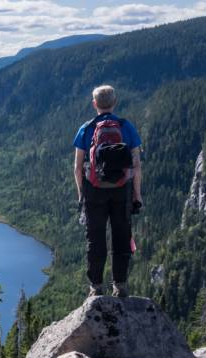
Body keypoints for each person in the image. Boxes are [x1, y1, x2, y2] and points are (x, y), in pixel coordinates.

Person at [73, 85, 142, 298]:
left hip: (94, 191)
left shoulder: (86, 129)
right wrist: (137, 195)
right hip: (122, 191)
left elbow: (77, 168)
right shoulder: (126, 127)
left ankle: (96, 288)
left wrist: (81, 195)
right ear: (115, 102)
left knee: (95, 240)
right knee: (122, 237)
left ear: (94, 104)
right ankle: (120, 286)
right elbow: (137, 165)